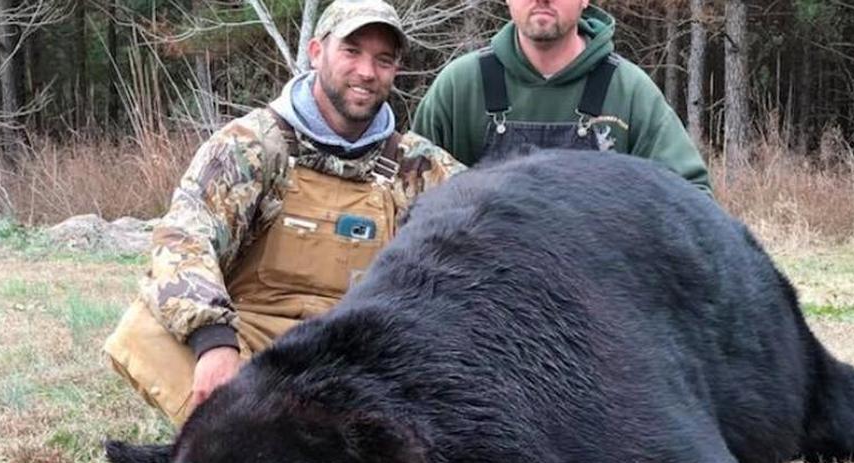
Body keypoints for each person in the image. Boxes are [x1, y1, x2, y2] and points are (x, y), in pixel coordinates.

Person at [104, 0, 464, 426]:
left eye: (383, 60)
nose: (367, 72)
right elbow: (183, 238)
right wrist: (214, 342)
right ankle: (243, 439)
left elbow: (490, 233)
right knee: (143, 329)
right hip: (254, 346)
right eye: (351, 52)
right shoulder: (251, 145)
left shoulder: (418, 165)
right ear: (316, 53)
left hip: (360, 353)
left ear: (394, 72)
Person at [411, 0, 712, 194]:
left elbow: (692, 201)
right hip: (483, 289)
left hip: (598, 288)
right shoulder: (460, 87)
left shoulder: (628, 91)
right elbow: (409, 199)